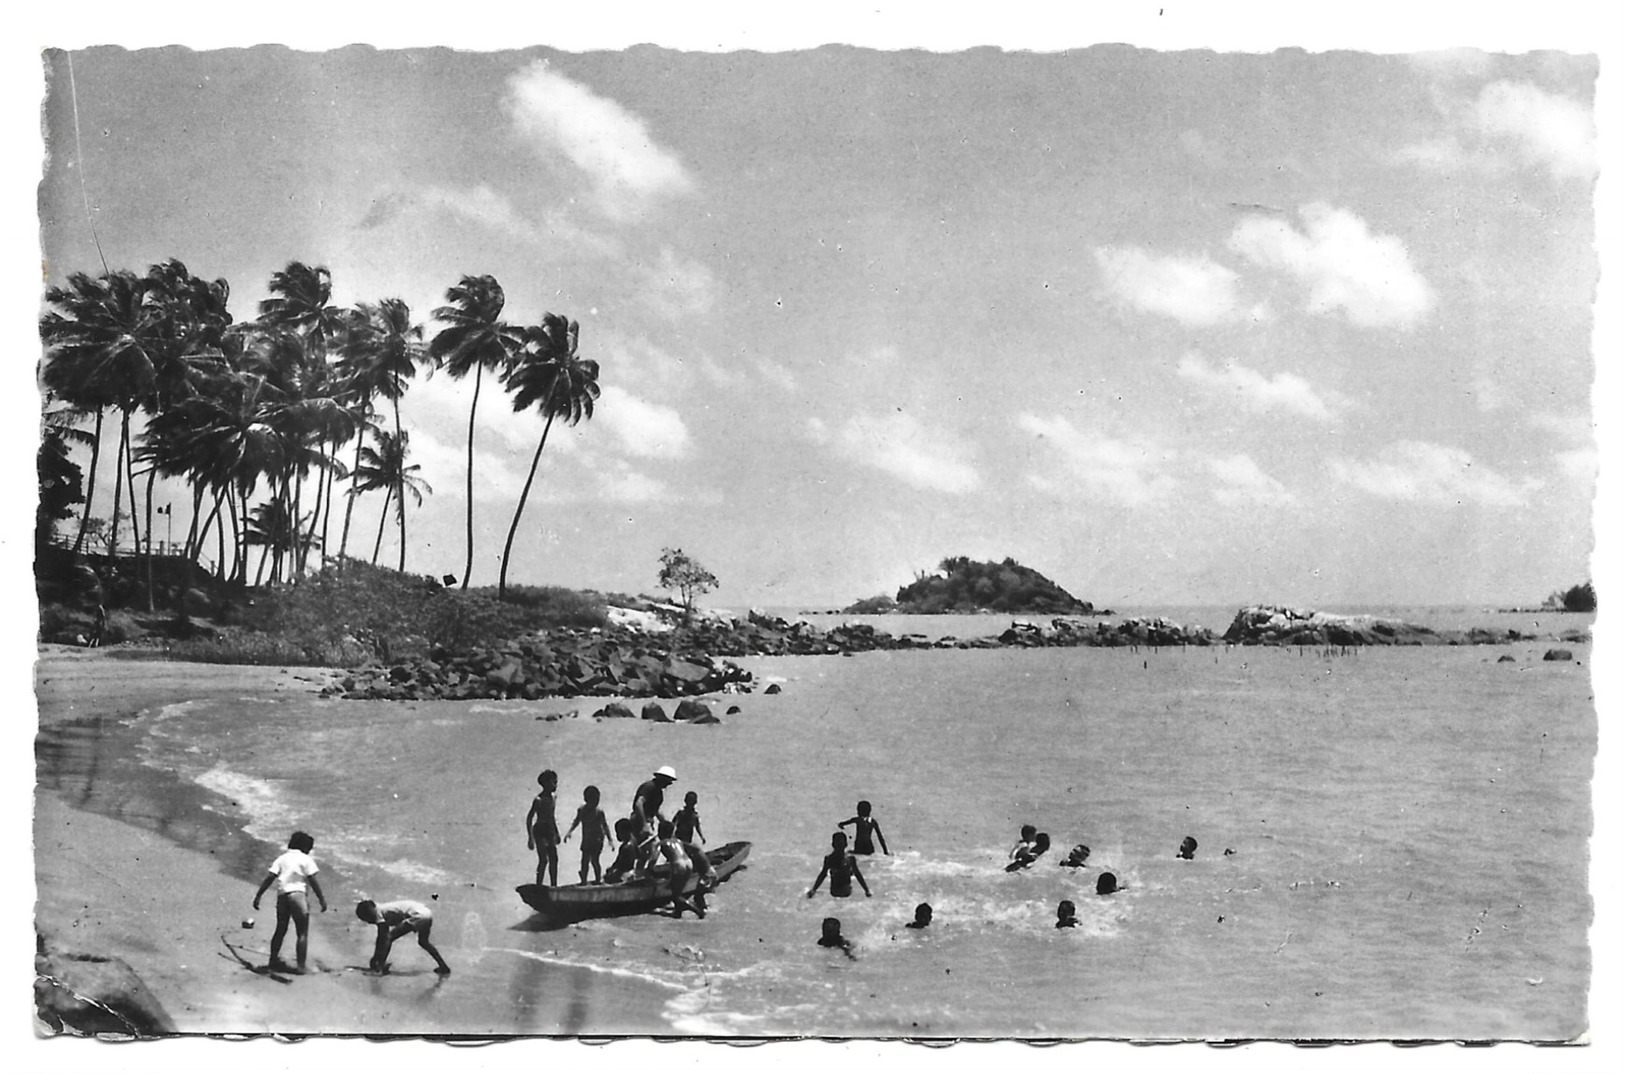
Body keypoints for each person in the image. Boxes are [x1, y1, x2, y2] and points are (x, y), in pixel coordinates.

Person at [251, 830, 328, 974]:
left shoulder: (282, 858)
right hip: (298, 895)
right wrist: (321, 899)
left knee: (280, 930)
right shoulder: (306, 859)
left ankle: (273, 960)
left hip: (282, 896)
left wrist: (258, 895)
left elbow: (270, 878)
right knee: (302, 933)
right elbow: (313, 880)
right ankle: (300, 967)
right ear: (306, 848)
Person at [355, 898, 451, 976]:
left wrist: (376, 958)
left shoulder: (377, 913)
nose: (368, 922)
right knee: (423, 942)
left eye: (366, 919)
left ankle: (380, 968)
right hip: (427, 913)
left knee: (389, 938)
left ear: (368, 913)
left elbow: (382, 939)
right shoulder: (384, 908)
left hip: (417, 915)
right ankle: (443, 966)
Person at [653, 819, 705, 918]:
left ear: (660, 832)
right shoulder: (678, 841)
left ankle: (696, 909)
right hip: (688, 863)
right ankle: (678, 912)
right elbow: (695, 848)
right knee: (678, 891)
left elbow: (654, 857)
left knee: (675, 895)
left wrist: (650, 868)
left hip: (678, 864)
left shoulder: (661, 843)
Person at [563, 785, 615, 883]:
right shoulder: (582, 810)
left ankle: (598, 880)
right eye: (594, 799)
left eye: (598, 799)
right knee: (584, 860)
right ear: (587, 799)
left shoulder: (599, 812)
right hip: (587, 839)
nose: (596, 802)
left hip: (597, 839)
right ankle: (583, 880)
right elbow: (576, 822)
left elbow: (605, 826)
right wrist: (569, 832)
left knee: (595, 860)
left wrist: (610, 840)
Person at [807, 831, 871, 899]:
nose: (840, 847)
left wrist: (866, 890)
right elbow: (822, 875)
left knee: (846, 871)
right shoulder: (829, 859)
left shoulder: (850, 859)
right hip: (836, 892)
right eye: (838, 845)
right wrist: (813, 890)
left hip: (845, 892)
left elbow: (858, 875)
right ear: (833, 845)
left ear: (845, 844)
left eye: (841, 845)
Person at [525, 769, 560, 887]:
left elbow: (552, 816)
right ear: (545, 783)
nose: (555, 785)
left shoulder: (553, 798)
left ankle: (554, 886)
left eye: (556, 782)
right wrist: (530, 837)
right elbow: (529, 818)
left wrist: (557, 832)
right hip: (540, 830)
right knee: (543, 859)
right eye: (553, 782)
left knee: (554, 858)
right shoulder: (538, 800)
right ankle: (538, 884)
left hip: (549, 830)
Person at [631, 765, 678, 840]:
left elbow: (656, 810)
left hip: (648, 821)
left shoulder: (658, 792)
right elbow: (639, 804)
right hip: (639, 822)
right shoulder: (649, 787)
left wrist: (665, 824)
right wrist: (644, 824)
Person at [602, 819, 641, 883]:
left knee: (606, 878)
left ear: (626, 831)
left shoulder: (626, 847)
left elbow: (621, 866)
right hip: (631, 871)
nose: (617, 835)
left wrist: (611, 871)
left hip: (625, 874)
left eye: (619, 832)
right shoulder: (634, 841)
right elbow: (638, 855)